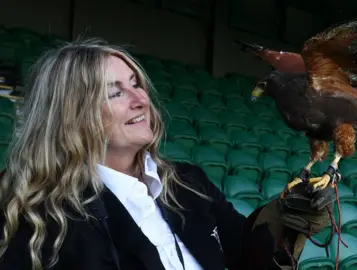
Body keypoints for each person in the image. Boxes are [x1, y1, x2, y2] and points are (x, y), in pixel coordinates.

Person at [0, 39, 336, 270]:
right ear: (69, 113)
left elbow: (245, 253)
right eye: (116, 93)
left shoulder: (189, 181)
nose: (140, 99)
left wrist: (282, 223)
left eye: (136, 84)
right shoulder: (36, 214)